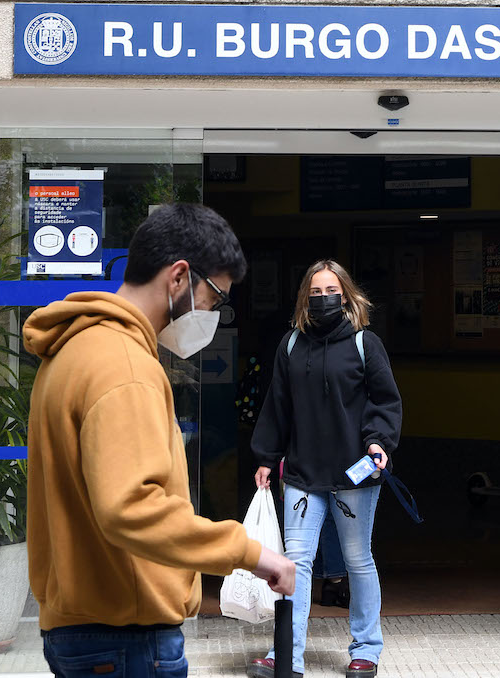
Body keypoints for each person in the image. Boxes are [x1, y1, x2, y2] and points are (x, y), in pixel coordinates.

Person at [23, 204, 297, 678]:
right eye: (214, 298)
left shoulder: (74, 350)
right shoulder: (125, 366)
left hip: (85, 627)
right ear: (179, 277)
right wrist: (249, 553)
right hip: (126, 635)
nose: (211, 314)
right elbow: (132, 507)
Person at [247, 260, 403, 678]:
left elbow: (385, 400)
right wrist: (266, 457)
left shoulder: (365, 343)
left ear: (346, 295)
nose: (323, 298)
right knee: (295, 561)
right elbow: (277, 405)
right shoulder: (291, 345)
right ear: (305, 298)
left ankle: (366, 649)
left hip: (355, 473)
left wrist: (378, 441)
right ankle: (286, 654)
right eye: (315, 292)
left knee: (357, 559)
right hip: (302, 471)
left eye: (331, 291)